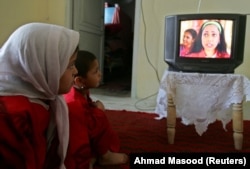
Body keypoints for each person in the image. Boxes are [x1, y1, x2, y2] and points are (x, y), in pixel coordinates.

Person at [0, 22, 79, 169]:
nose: (75, 71)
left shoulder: (44, 97)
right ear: (40, 66)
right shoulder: (12, 115)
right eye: (70, 65)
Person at [64, 50, 128, 169]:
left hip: (81, 131)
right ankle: (105, 156)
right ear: (79, 81)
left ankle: (93, 155)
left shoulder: (81, 90)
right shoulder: (74, 101)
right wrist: (98, 112)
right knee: (98, 115)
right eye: (95, 72)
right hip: (74, 140)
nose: (100, 74)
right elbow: (77, 134)